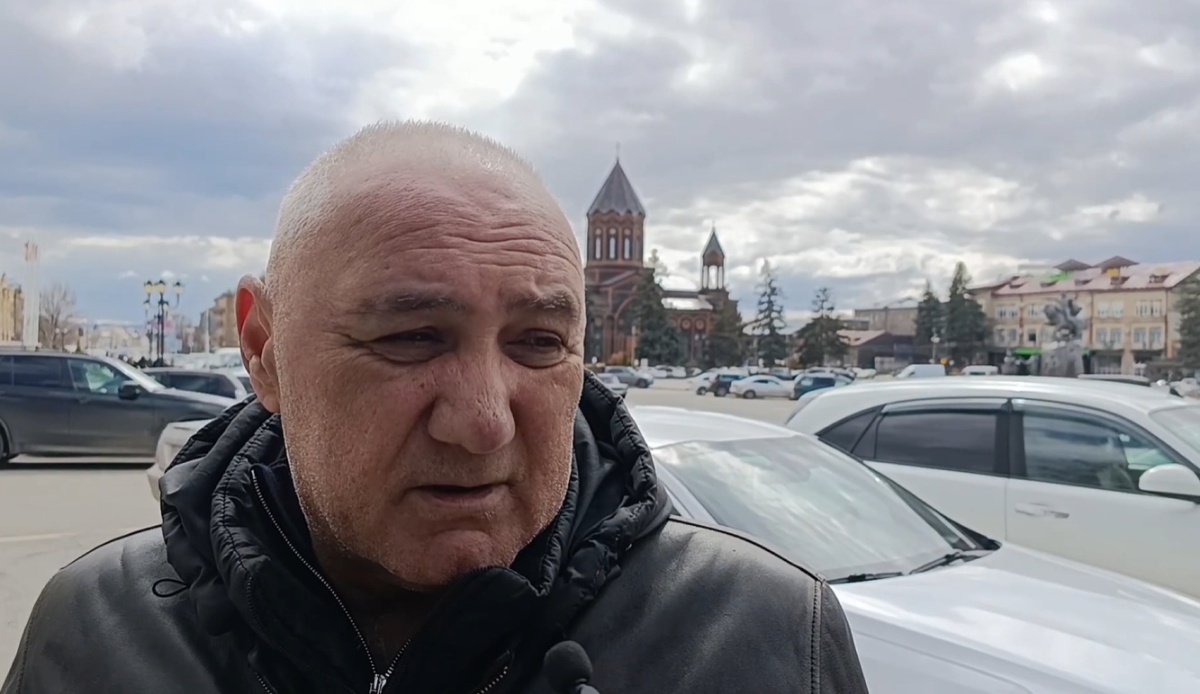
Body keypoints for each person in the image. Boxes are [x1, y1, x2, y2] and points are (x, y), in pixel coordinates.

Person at [3, 122, 869, 694]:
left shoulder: (763, 636)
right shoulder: (96, 627)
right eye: (413, 338)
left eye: (539, 342)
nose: (485, 422)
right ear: (264, 349)